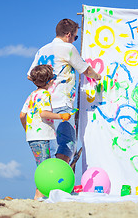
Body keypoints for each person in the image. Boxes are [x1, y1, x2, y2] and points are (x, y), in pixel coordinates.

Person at [27, 19, 101, 164]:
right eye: (75, 37)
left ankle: (48, 179)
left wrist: (45, 85)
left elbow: (30, 75)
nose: (74, 40)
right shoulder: (68, 48)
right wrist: (99, 77)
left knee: (49, 146)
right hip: (61, 102)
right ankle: (59, 178)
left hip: (42, 104)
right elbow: (85, 70)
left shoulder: (42, 50)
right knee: (67, 144)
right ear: (68, 35)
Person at [20, 65, 72, 200]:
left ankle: (39, 195)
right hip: (43, 135)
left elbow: (21, 115)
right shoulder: (44, 94)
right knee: (44, 166)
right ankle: (38, 196)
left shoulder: (32, 95)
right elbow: (44, 113)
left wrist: (27, 129)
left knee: (41, 164)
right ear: (50, 81)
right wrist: (62, 116)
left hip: (32, 136)